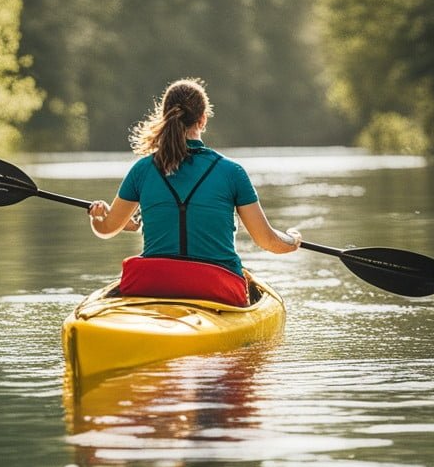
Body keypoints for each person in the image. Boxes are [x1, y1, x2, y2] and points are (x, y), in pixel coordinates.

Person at [86, 78, 301, 306]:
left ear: (165, 117)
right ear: (203, 119)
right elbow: (267, 240)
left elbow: (107, 228)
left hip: (153, 284)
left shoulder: (142, 169)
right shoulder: (232, 172)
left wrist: (98, 216)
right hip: (216, 287)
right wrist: (292, 240)